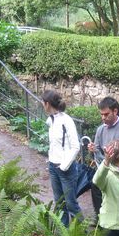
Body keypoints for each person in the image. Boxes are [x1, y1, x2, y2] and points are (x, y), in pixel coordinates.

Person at [42, 90, 82, 226]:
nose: (42, 105)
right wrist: (51, 160)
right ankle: (63, 234)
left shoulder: (67, 121)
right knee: (59, 203)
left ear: (47, 104)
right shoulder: (51, 120)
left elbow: (76, 146)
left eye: (43, 103)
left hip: (66, 169)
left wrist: (64, 165)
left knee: (71, 204)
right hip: (53, 167)